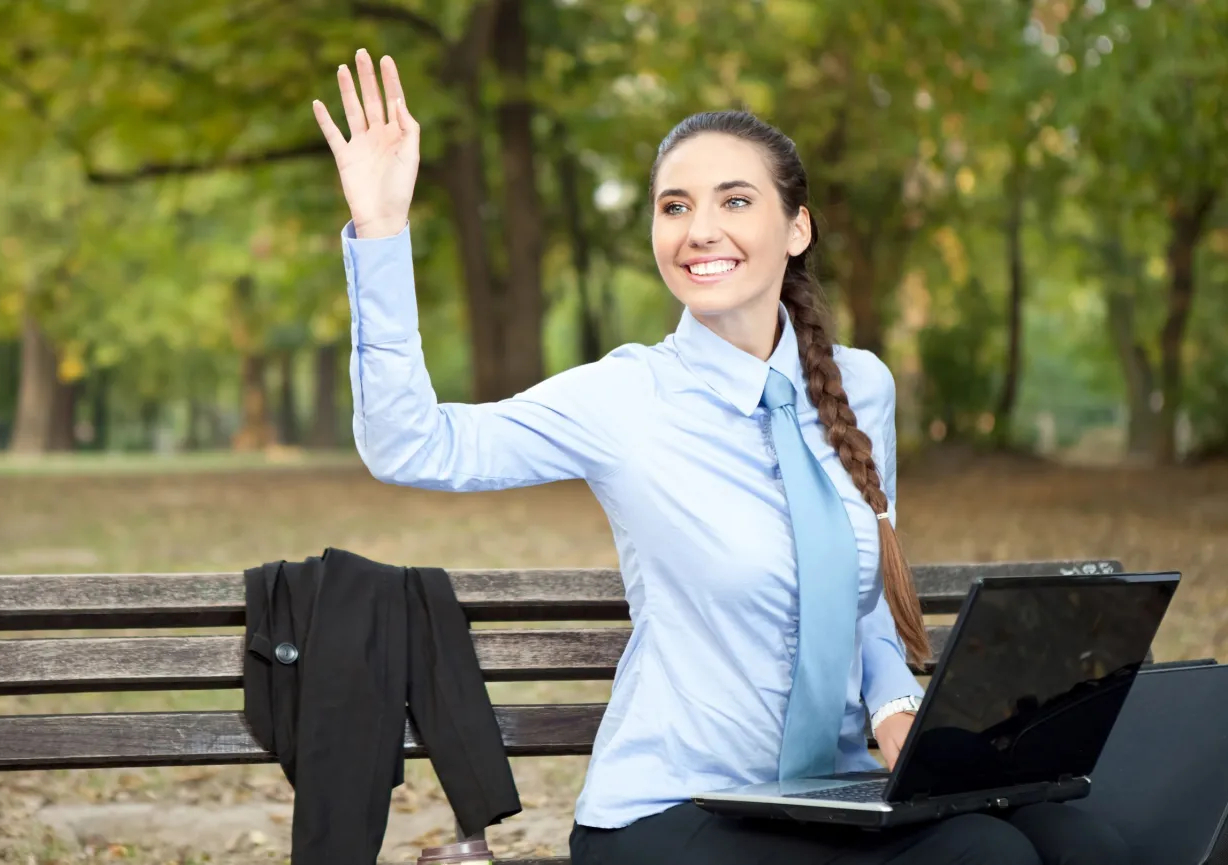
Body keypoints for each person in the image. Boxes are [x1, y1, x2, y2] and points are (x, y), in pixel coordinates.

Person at [311, 48, 1132, 865]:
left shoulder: (863, 387)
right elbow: (411, 443)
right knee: (985, 856)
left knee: (1081, 838)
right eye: (675, 206)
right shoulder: (624, 396)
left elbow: (860, 597)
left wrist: (893, 708)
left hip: (835, 797)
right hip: (675, 809)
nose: (699, 229)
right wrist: (381, 232)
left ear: (797, 227)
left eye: (734, 200)